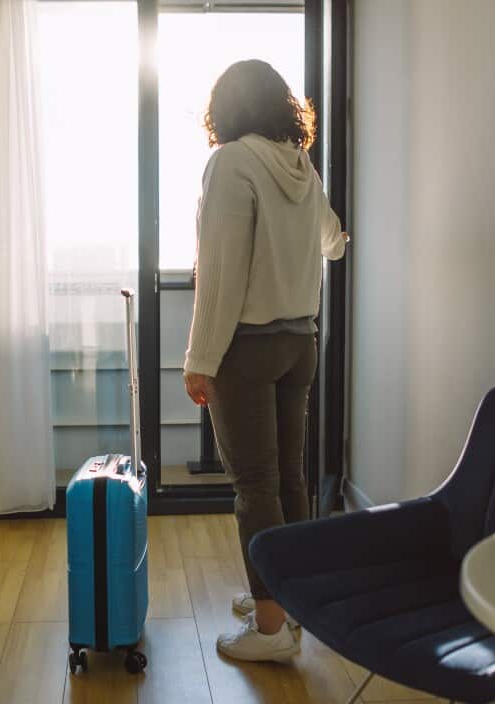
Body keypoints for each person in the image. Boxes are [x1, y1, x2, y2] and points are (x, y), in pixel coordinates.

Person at [182, 59, 347, 662]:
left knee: (254, 485)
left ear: (226, 107)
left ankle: (272, 631)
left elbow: (220, 276)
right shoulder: (300, 166)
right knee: (289, 479)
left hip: (247, 350)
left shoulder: (231, 163)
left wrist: (200, 359)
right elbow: (333, 240)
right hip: (299, 343)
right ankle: (286, 600)